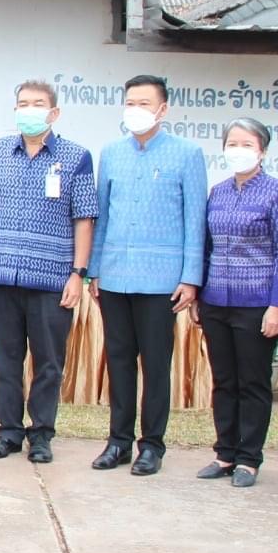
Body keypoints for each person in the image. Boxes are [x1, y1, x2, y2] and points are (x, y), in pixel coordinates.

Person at [86, 74, 207, 476]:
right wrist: (95, 269)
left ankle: (151, 445)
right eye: (130, 102)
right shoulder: (112, 153)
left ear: (162, 109)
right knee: (119, 361)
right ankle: (117, 441)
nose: (135, 110)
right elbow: (101, 216)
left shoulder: (186, 154)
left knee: (156, 365)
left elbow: (195, 220)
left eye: (144, 103)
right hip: (115, 277)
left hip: (161, 280)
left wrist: (191, 277)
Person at [0, 80, 97, 464]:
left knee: (48, 362)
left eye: (38, 104)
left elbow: (84, 218)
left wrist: (78, 273)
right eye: (23, 103)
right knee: (6, 361)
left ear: (54, 112)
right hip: (3, 275)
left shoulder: (75, 156)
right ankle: (8, 432)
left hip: (52, 279)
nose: (29, 110)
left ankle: (41, 435)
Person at [193, 118, 278, 488]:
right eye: (232, 143)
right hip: (216, 299)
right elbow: (207, 247)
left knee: (253, 382)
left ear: (263, 150)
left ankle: (249, 459)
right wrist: (199, 294)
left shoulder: (277, 192)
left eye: (246, 144)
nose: (238, 150)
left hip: (257, 303)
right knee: (223, 381)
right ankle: (224, 453)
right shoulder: (217, 192)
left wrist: (277, 305)